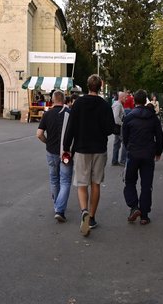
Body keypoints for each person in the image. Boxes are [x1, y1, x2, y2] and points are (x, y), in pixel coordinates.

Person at [62, 74, 115, 237]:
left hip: (81, 148)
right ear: (100, 86)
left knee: (82, 183)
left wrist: (66, 147)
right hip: (99, 148)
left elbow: (70, 127)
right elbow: (110, 129)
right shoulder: (105, 105)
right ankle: (91, 217)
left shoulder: (78, 104)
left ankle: (84, 210)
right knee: (96, 183)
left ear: (87, 85)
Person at [122, 90, 163, 225]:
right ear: (146, 100)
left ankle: (134, 206)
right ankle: (144, 215)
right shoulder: (153, 117)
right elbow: (159, 136)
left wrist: (129, 147)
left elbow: (125, 136)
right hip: (148, 154)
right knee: (146, 185)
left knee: (129, 181)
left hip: (133, 153)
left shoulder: (129, 117)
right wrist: (158, 151)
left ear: (134, 100)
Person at [36, 90, 72, 222]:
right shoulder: (69, 114)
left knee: (54, 179)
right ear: (64, 100)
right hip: (66, 153)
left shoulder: (47, 114)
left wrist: (47, 142)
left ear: (52, 100)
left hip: (51, 152)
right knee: (65, 181)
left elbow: (39, 134)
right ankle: (60, 209)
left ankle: (57, 205)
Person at [111, 91, 127, 166]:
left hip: (117, 126)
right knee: (124, 143)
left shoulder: (117, 104)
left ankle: (115, 160)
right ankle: (123, 160)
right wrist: (122, 124)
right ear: (121, 97)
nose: (126, 99)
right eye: (125, 97)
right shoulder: (118, 105)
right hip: (119, 127)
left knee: (116, 143)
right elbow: (116, 117)